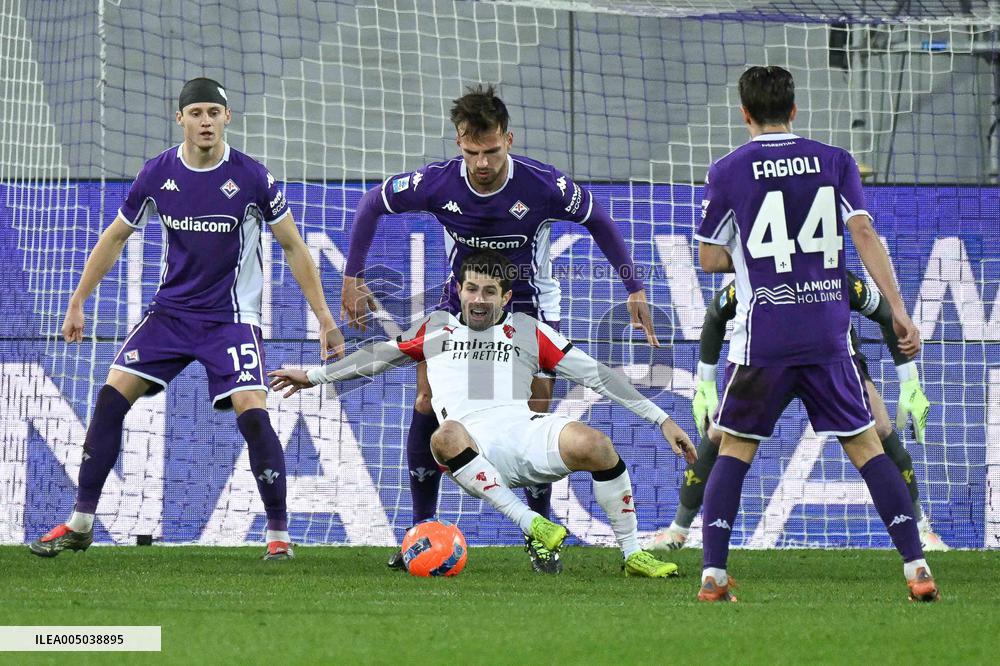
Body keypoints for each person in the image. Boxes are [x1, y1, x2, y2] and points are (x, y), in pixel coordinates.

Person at [341, 84, 657, 574]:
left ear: (509, 139)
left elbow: (598, 219)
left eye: (491, 151)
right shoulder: (439, 183)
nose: (482, 163)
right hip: (463, 303)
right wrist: (352, 276)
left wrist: (634, 288)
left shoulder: (542, 184)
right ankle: (420, 531)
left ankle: (540, 531)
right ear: (458, 144)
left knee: (533, 414)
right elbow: (371, 205)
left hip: (529, 305)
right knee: (427, 402)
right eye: (472, 152)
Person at [29, 78, 343, 561]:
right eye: (195, 112)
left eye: (213, 112)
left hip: (231, 320)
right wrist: (78, 301)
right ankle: (81, 522)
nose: (205, 121)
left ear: (227, 118)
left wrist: (323, 319)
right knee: (111, 399)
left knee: (253, 413)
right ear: (180, 119)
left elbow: (294, 246)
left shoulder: (253, 177)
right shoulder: (157, 174)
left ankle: (278, 534)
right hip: (170, 315)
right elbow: (115, 237)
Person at [271, 250, 695, 576]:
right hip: (470, 446)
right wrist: (313, 375)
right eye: (471, 288)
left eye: (490, 291)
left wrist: (663, 419)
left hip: (524, 434)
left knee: (597, 444)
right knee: (444, 433)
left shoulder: (528, 330)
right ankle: (533, 524)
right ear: (459, 290)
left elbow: (598, 375)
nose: (478, 299)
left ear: (506, 297)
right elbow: (378, 356)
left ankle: (633, 554)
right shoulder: (436, 327)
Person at [694, 66, 939, 602]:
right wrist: (898, 309)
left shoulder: (728, 170)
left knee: (734, 447)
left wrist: (751, 257)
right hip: (828, 331)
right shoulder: (835, 161)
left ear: (745, 113)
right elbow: (864, 232)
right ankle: (916, 567)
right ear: (795, 110)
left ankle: (713, 575)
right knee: (865, 444)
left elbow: (710, 256)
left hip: (766, 335)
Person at [648, 271, 949, 552]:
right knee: (718, 434)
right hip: (770, 362)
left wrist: (910, 382)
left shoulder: (830, 273)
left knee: (880, 429)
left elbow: (884, 312)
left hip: (829, 360)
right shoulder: (757, 274)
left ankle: (920, 529)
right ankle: (679, 530)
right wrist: (705, 385)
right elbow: (716, 315)